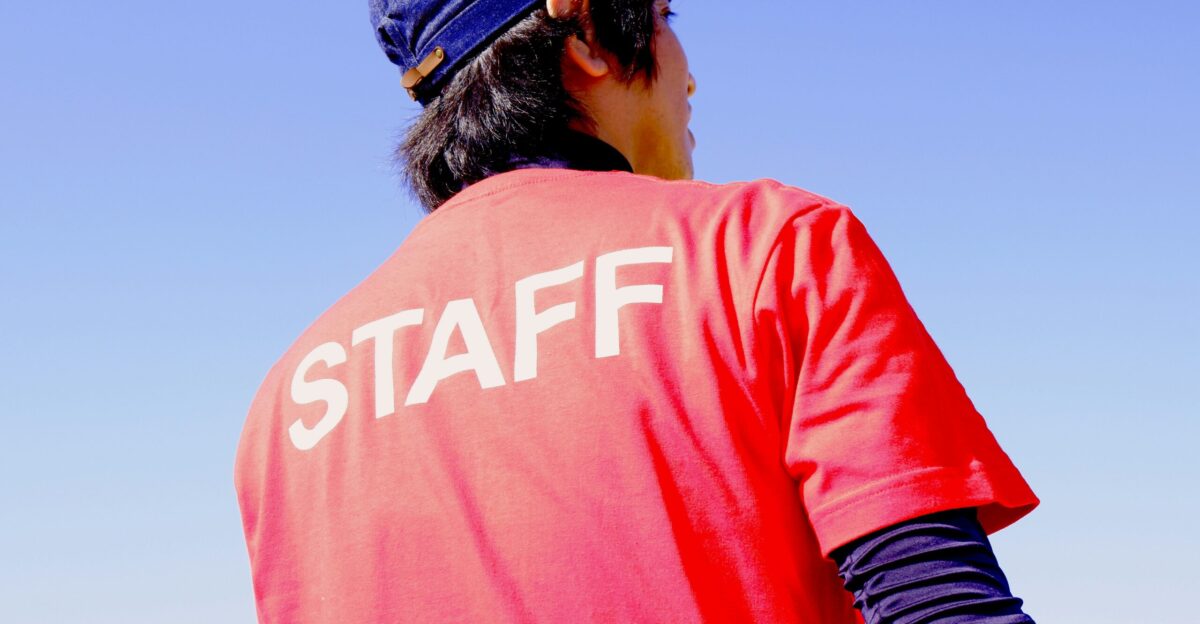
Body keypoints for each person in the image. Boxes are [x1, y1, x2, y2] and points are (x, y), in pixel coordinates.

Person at [234, 1, 1041, 622]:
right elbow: (939, 603)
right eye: (663, 16)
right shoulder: (769, 249)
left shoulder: (287, 402)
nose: (687, 76)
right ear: (585, 31)